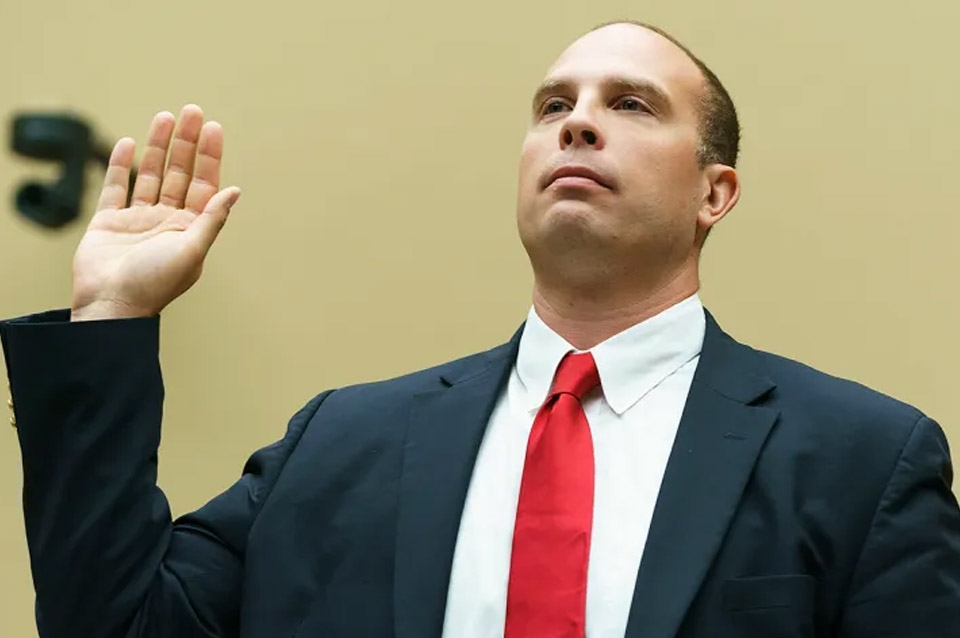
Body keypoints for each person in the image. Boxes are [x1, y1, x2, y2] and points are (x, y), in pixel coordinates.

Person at [2, 19, 959, 638]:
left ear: (716, 192)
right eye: (554, 107)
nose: (577, 124)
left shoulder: (864, 461)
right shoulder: (338, 445)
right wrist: (112, 313)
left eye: (629, 105)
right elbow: (115, 623)